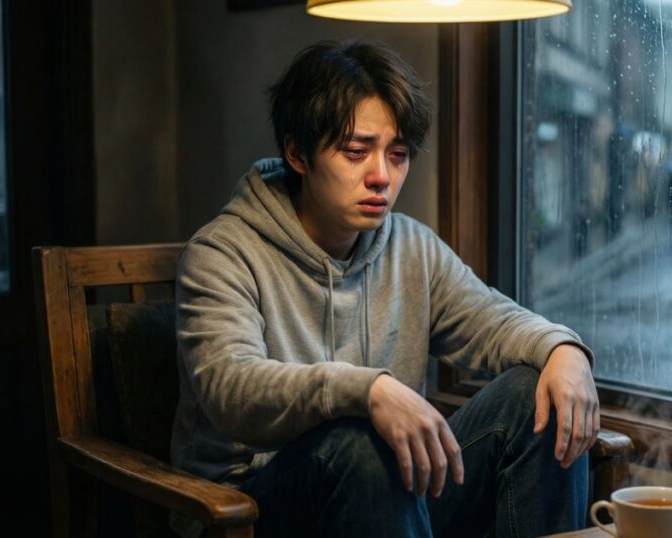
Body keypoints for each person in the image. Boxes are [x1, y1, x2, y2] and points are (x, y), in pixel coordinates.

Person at [172, 40, 600, 538]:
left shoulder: (411, 247)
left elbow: (493, 321)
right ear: (297, 153)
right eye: (356, 152)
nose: (381, 177)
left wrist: (563, 349)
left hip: (388, 501)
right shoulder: (222, 253)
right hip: (248, 510)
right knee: (363, 441)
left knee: (534, 393)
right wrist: (367, 391)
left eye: (397, 155)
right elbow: (231, 389)